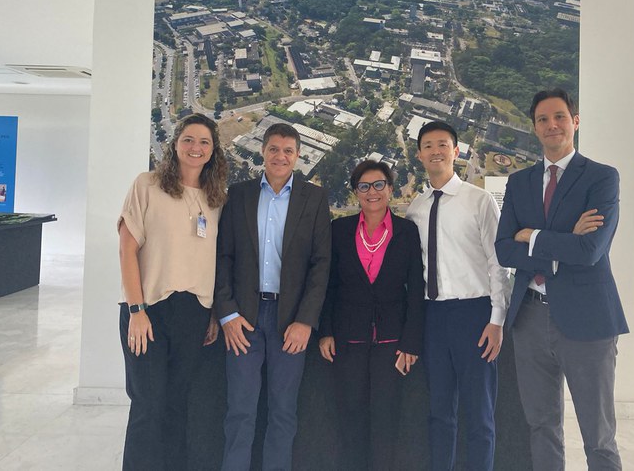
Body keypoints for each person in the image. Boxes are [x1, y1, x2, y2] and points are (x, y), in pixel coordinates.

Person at [495, 88, 628, 471]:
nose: (551, 125)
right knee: (541, 425)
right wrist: (565, 240)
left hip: (587, 319)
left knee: (598, 434)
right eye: (542, 119)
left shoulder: (602, 178)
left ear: (575, 121)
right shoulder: (520, 182)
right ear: (534, 127)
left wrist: (533, 236)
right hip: (530, 319)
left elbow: (591, 251)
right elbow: (505, 248)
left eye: (559, 117)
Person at [214, 122, 332, 471]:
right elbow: (223, 257)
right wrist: (227, 315)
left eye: (288, 151)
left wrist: (306, 321)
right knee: (240, 410)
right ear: (262, 152)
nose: (280, 156)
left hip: (290, 322)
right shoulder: (239, 195)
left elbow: (321, 265)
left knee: (283, 412)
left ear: (297, 156)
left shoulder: (314, 198)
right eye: (274, 149)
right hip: (244, 321)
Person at [117, 113, 228, 470]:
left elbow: (214, 260)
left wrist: (212, 314)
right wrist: (136, 311)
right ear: (176, 143)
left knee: (178, 404)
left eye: (204, 142)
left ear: (213, 151)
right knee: (148, 404)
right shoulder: (147, 185)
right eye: (189, 140)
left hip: (193, 312)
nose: (196, 148)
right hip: (148, 310)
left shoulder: (216, 199)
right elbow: (126, 248)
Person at [405, 120, 512, 471]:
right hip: (433, 317)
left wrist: (496, 320)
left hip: (474, 315)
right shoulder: (415, 209)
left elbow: (499, 264)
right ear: (419, 154)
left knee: (479, 414)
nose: (436, 151)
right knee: (439, 413)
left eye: (443, 144)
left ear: (456, 150)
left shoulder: (479, 201)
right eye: (429, 145)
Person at [318, 160, 425, 471]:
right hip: (348, 340)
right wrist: (325, 330)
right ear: (356, 193)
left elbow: (416, 290)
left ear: (390, 190)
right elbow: (329, 284)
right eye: (364, 186)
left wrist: (411, 343)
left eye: (379, 184)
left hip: (392, 343)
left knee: (386, 421)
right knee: (350, 419)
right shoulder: (339, 229)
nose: (372, 192)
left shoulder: (407, 231)